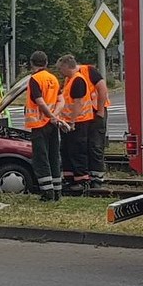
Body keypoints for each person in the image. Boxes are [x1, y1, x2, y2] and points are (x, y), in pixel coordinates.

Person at [25, 51, 70, 201]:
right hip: (52, 125)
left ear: (32, 63)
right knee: (53, 157)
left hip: (39, 124)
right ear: (46, 63)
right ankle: (57, 191)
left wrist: (50, 116)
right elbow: (61, 101)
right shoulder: (53, 79)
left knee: (41, 158)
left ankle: (47, 192)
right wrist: (55, 116)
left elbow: (40, 102)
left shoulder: (34, 79)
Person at [57, 54, 96, 193]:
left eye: (60, 68)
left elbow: (78, 103)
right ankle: (70, 178)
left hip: (78, 122)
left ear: (67, 66)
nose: (60, 71)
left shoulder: (78, 80)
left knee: (77, 151)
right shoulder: (70, 79)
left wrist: (72, 121)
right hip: (68, 122)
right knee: (67, 150)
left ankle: (82, 180)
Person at [82, 63, 110, 188]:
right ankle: (91, 176)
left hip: (97, 112)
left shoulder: (88, 71)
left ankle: (97, 179)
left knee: (96, 145)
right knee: (88, 145)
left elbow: (102, 87)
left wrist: (100, 110)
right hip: (87, 114)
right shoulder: (71, 76)